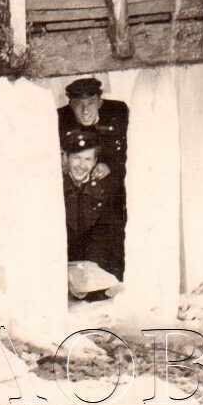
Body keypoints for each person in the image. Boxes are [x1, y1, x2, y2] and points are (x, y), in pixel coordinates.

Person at [57, 76, 129, 277]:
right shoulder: (59, 119)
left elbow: (131, 151)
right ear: (70, 104)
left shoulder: (118, 113)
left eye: (90, 103)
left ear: (100, 101)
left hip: (108, 198)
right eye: (78, 105)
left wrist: (111, 166)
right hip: (74, 196)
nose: (85, 110)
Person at [61, 130, 124, 295]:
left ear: (95, 161)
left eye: (88, 159)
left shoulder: (105, 188)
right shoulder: (56, 184)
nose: (81, 165)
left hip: (93, 265)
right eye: (76, 158)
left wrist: (93, 267)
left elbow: (106, 233)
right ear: (65, 158)